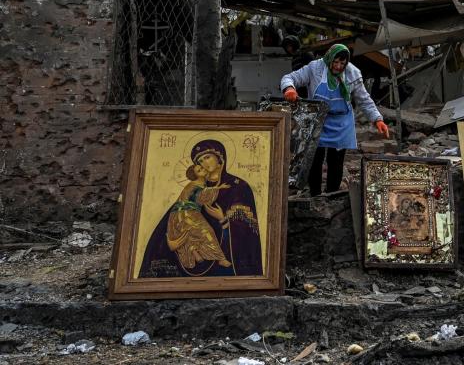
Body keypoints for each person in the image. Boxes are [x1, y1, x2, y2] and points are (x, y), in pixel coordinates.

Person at [139, 139, 262, 278]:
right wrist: (171, 240)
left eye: (207, 157)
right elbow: (177, 215)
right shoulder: (196, 186)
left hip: (228, 261)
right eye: (200, 162)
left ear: (220, 156)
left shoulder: (238, 186)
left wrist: (222, 219)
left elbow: (248, 232)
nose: (204, 163)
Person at [279, 44, 389, 196]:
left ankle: (332, 195)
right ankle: (315, 194)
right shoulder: (314, 68)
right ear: (329, 59)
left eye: (342, 64)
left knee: (336, 161)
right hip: (318, 119)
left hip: (341, 122)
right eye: (335, 62)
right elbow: (289, 78)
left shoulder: (352, 73)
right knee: (314, 159)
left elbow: (364, 99)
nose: (338, 67)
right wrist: (289, 88)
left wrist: (377, 119)